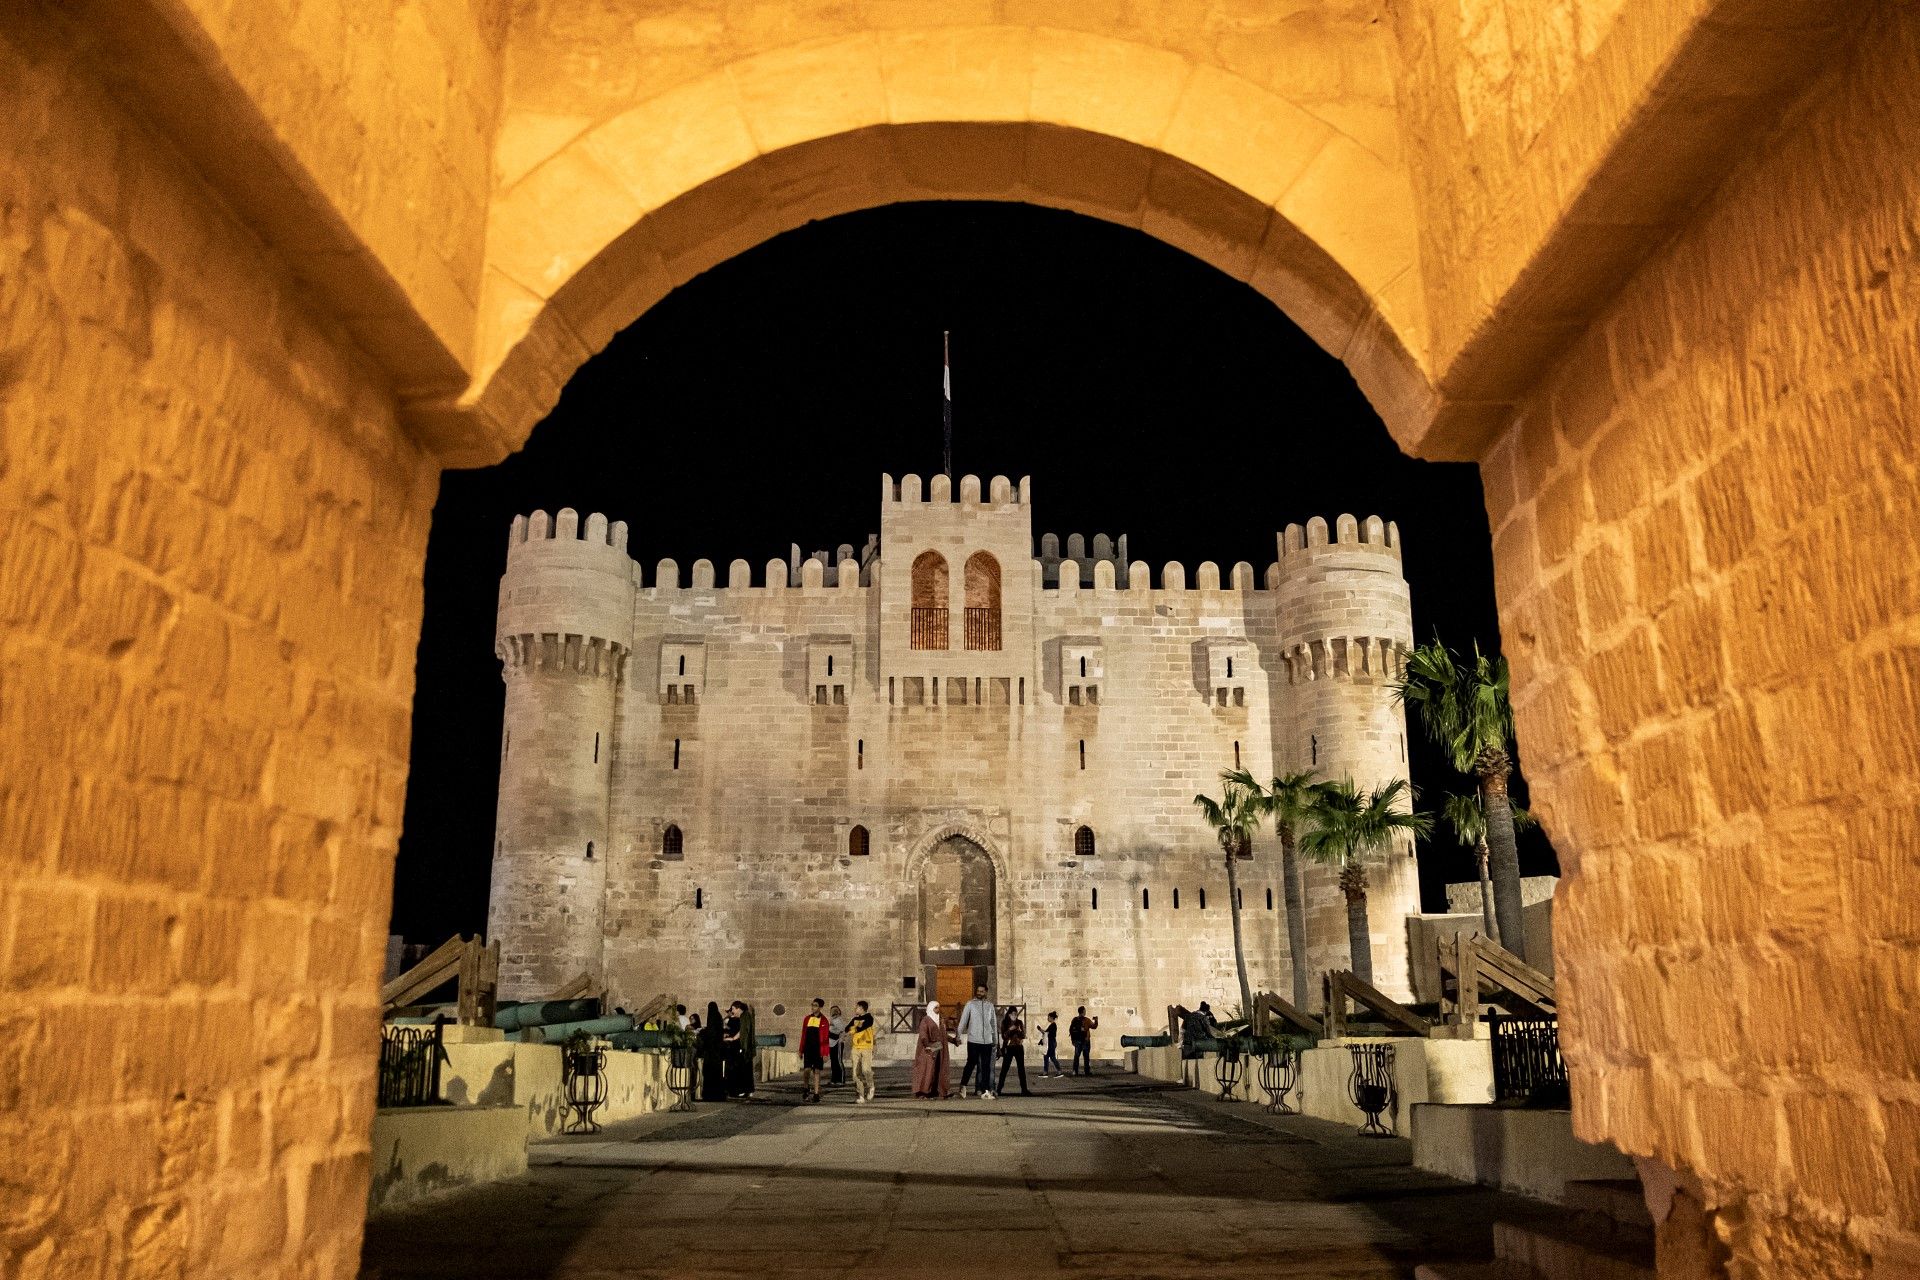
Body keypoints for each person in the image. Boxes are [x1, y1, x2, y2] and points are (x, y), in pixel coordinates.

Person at [956, 985, 1000, 1099]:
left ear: (986, 992)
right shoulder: (970, 1004)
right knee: (970, 1063)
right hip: (974, 1040)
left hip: (987, 1041)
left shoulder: (989, 1006)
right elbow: (963, 1020)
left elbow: (993, 1024)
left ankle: (986, 1091)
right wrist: (958, 1035)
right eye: (978, 991)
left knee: (986, 1067)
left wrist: (995, 1040)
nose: (979, 993)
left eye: (982, 991)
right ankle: (963, 1086)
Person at [912, 1000, 954, 1099]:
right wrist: (927, 1045)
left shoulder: (940, 1021)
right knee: (927, 1070)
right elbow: (923, 1034)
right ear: (931, 1008)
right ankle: (923, 1092)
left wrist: (953, 1040)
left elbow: (943, 1035)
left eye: (939, 1007)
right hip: (929, 1049)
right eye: (936, 1008)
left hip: (939, 1048)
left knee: (938, 1069)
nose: (938, 1010)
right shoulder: (926, 1020)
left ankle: (938, 1091)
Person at [846, 1000, 878, 1103]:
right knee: (855, 1074)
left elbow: (864, 1026)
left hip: (866, 1047)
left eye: (857, 1007)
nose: (855, 1009)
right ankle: (860, 1095)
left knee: (866, 1070)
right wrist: (855, 1027)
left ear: (862, 1008)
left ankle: (871, 1086)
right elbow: (847, 1028)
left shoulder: (869, 1017)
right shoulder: (855, 1019)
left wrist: (854, 1029)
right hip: (855, 1048)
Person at [800, 998, 831, 1103]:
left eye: (816, 1005)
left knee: (817, 1071)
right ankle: (805, 1088)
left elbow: (826, 1038)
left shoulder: (824, 1020)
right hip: (808, 1048)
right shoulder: (807, 1019)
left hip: (818, 1049)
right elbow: (803, 1035)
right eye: (812, 1005)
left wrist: (826, 1053)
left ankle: (816, 1093)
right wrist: (801, 1049)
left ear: (820, 1007)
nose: (813, 1007)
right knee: (806, 1071)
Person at [997, 1008, 1032, 1096]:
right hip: (1009, 1047)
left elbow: (1023, 1035)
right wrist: (1010, 1029)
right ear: (1009, 1014)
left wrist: (1020, 1031)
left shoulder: (1019, 1022)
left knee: (1021, 1069)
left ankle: (1024, 1089)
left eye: (1016, 1014)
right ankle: (999, 1089)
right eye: (1013, 1014)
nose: (1015, 1016)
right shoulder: (1004, 1022)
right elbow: (1004, 1036)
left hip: (1018, 1047)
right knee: (1005, 1068)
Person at [697, 1001, 727, 1101]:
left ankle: (710, 1095)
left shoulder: (713, 1018)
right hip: (717, 1051)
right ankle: (718, 1094)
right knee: (717, 1073)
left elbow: (711, 1033)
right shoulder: (718, 1017)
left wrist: (703, 1032)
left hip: (711, 1052)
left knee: (710, 1073)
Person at [723, 1002, 752, 1098]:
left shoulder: (744, 1016)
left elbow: (743, 1030)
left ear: (738, 1008)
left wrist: (733, 1038)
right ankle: (746, 1090)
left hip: (743, 1047)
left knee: (742, 1068)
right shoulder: (744, 1016)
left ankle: (743, 1090)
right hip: (744, 1047)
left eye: (733, 1009)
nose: (732, 1011)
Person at [1070, 1006, 1099, 1076]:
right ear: (1083, 1011)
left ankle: (1075, 1071)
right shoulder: (1086, 1020)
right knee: (1086, 1056)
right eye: (1085, 1011)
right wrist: (1096, 1020)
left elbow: (1071, 1030)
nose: (1085, 1012)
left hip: (1077, 1040)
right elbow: (1094, 1026)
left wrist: (1073, 1040)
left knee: (1076, 1056)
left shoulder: (1074, 1019)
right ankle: (1087, 1071)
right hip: (1085, 1040)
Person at [828, 1004, 847, 1087]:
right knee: (833, 1061)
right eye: (832, 1010)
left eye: (835, 1010)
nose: (834, 1012)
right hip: (831, 1043)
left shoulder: (838, 1020)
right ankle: (834, 1079)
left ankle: (841, 1080)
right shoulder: (832, 1020)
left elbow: (842, 1031)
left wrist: (840, 1039)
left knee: (838, 1061)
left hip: (837, 1043)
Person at [1040, 1011, 1062, 1078]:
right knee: (1047, 1057)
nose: (1048, 1018)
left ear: (1052, 1018)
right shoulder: (1052, 1025)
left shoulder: (1053, 1025)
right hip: (1051, 1043)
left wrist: (1040, 1030)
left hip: (1051, 1043)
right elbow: (1046, 1033)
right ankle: (1046, 1072)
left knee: (1051, 1057)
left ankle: (1058, 1071)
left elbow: (1046, 1033)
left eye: (1048, 1017)